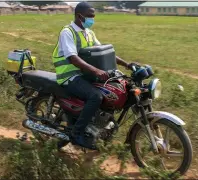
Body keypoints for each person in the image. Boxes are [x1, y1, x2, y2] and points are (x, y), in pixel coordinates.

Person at [52, 2, 138, 149]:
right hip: (70, 76)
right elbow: (72, 58)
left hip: (85, 74)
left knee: (112, 90)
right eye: (90, 16)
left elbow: (105, 53)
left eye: (93, 16)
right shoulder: (68, 32)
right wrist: (95, 70)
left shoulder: (89, 33)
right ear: (80, 16)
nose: (92, 19)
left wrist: (127, 65)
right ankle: (77, 134)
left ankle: (97, 125)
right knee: (95, 96)